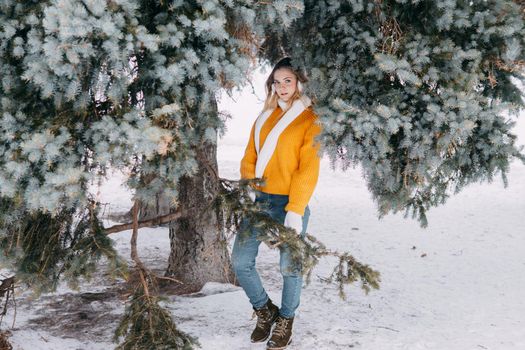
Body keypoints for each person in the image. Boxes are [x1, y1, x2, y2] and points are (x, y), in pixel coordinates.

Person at [231, 57, 322, 350]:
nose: (282, 87)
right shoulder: (264, 117)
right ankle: (264, 309)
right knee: (241, 261)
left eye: (288, 81)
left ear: (299, 83)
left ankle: (286, 320)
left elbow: (307, 168)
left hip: (288, 202)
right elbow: (249, 157)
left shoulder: (310, 119)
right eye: (277, 81)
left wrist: (295, 209)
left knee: (289, 266)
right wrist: (249, 189)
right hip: (259, 200)